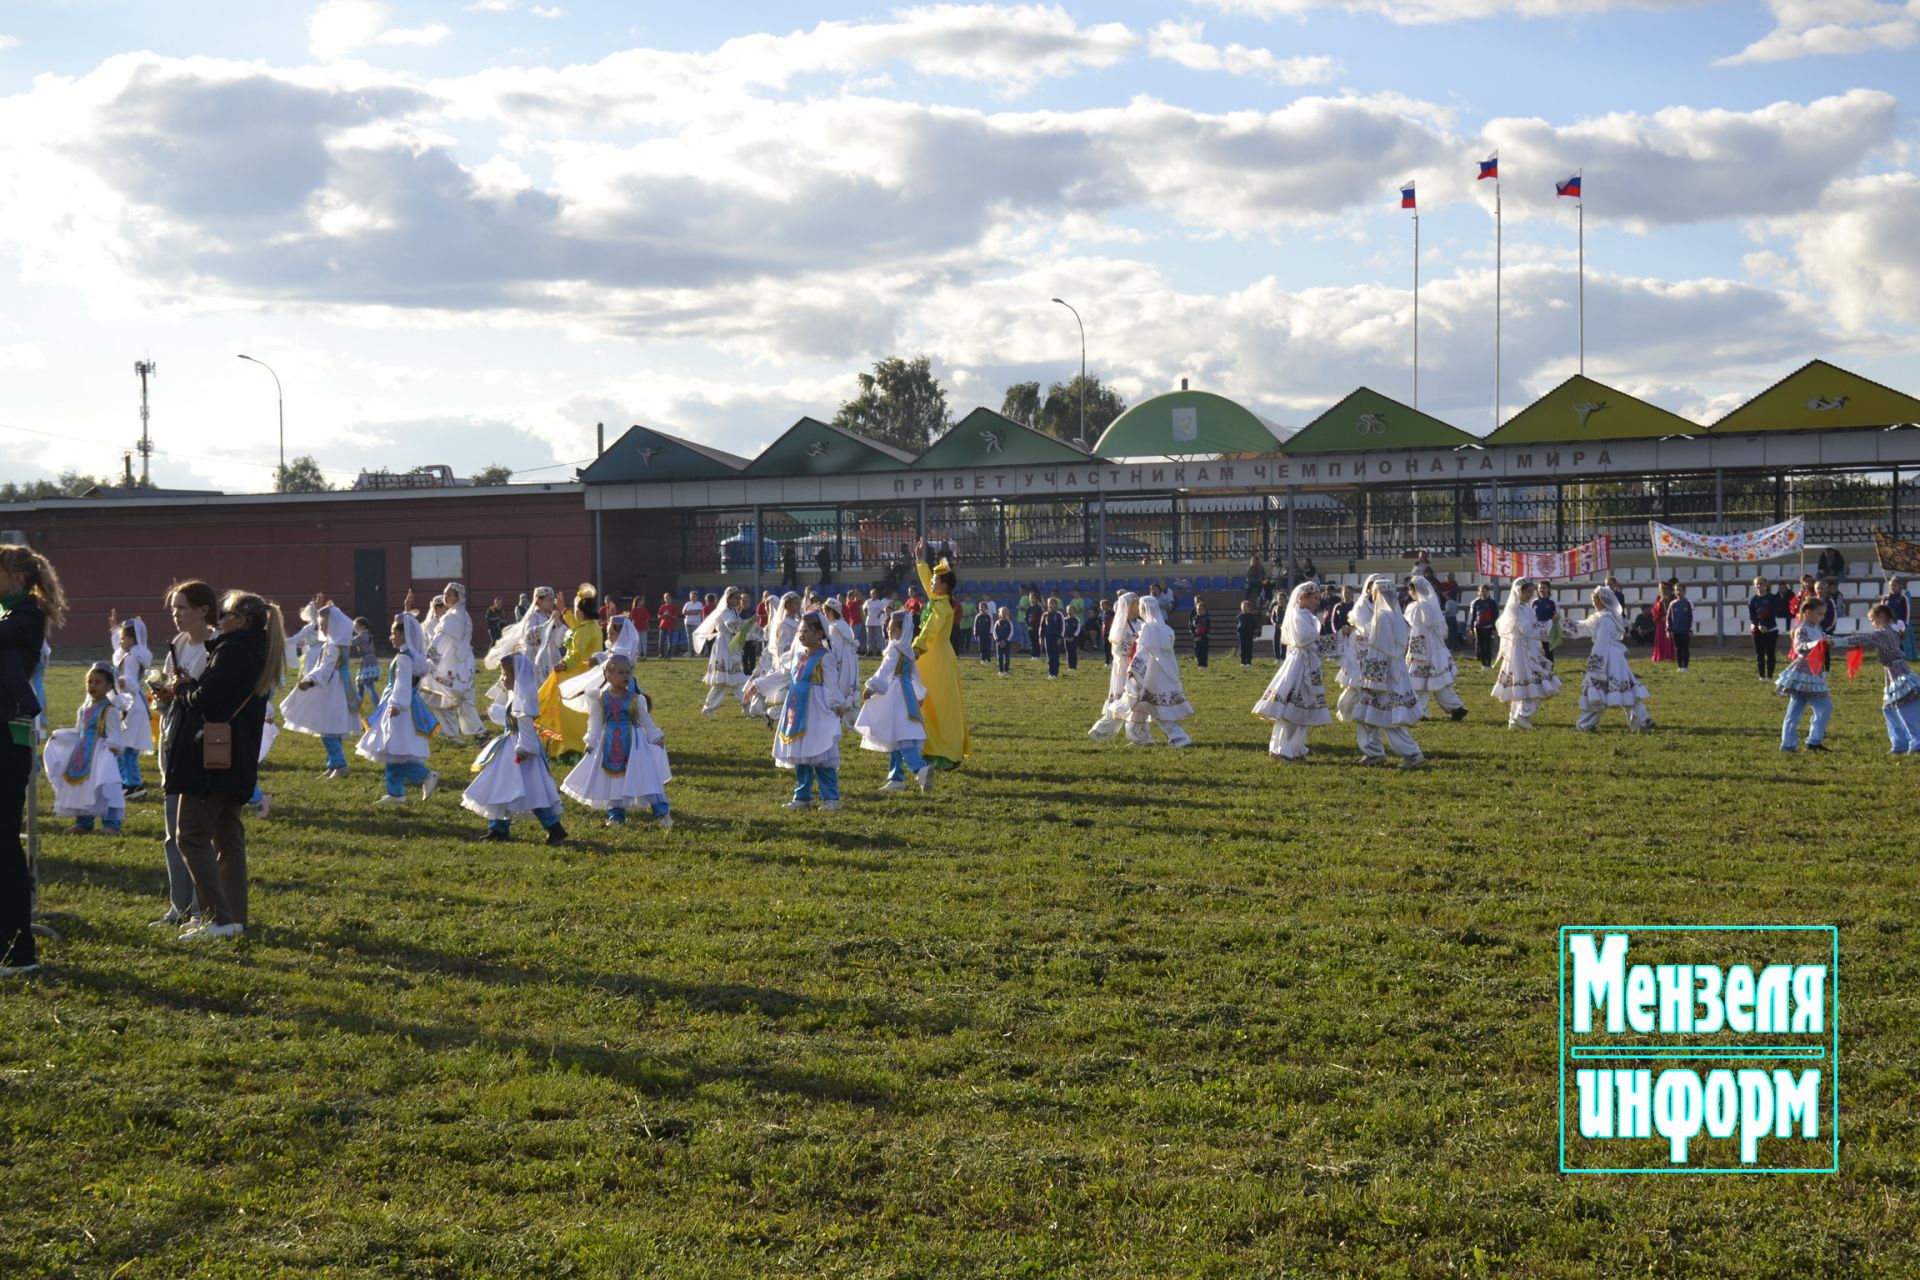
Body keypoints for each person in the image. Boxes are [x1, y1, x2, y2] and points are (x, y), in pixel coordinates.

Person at [154, 589, 281, 942]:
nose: (218, 620)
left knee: (191, 836)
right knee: (228, 838)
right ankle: (234, 919)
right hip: (236, 758)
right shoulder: (257, 648)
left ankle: (217, 918)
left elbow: (206, 700)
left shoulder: (232, 650)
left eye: (224, 614)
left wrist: (182, 688)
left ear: (242, 620)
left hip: (212, 761)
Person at [0, 547, 60, 975]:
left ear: (16, 578)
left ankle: (18, 951)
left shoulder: (25, 619)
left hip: (7, 741)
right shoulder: (12, 616)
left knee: (4, 847)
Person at [561, 652, 672, 829]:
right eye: (620, 673)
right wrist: (591, 742)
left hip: (635, 745)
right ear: (608, 676)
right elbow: (595, 723)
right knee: (614, 779)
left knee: (646, 776)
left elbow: (646, 721)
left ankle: (662, 813)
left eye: (627, 672)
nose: (625, 676)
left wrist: (655, 736)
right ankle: (616, 815)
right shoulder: (600, 699)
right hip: (610, 743)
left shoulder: (637, 699)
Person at [466, 653, 568, 843]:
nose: (503, 679)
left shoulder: (524, 701)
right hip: (509, 747)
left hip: (521, 751)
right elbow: (509, 720)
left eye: (506, 675)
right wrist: (496, 711)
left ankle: (554, 826)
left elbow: (526, 729)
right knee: (502, 785)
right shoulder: (515, 697)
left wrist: (524, 749)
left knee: (533, 789)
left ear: (517, 676)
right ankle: (498, 828)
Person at [762, 612, 846, 810]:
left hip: (816, 711)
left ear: (819, 634)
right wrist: (757, 685)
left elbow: (831, 685)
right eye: (800, 631)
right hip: (796, 710)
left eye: (807, 631)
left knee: (820, 754)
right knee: (801, 754)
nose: (802, 634)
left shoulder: (825, 658)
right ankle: (802, 797)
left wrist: (835, 704)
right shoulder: (799, 657)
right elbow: (783, 675)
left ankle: (831, 799)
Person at [1341, 577, 1425, 767]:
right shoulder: (1393, 615)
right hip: (1389, 674)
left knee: (1387, 718)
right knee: (1366, 715)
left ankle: (1412, 754)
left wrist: (1373, 679)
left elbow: (1380, 649)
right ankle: (1373, 752)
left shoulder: (1383, 617)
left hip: (1383, 677)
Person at [358, 613, 442, 803]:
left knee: (393, 749)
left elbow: (402, 684)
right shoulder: (414, 655)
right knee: (391, 750)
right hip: (407, 705)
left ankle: (425, 775)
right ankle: (395, 793)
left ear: (404, 635)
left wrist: (396, 705)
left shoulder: (403, 657)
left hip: (400, 708)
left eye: (393, 633)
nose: (391, 637)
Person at [44, 662, 128, 834]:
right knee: (83, 788)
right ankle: (84, 822)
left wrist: (113, 746)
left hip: (101, 755)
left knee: (105, 788)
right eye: (90, 682)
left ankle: (111, 824)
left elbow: (114, 733)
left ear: (109, 685)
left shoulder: (109, 710)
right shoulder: (84, 709)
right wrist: (60, 737)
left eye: (98, 682)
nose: (92, 686)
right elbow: (79, 731)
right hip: (83, 755)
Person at [857, 610, 935, 794]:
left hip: (895, 694)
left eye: (894, 628)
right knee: (895, 734)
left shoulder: (895, 649)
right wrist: (919, 694)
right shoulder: (908, 650)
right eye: (888, 627)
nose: (889, 631)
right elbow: (914, 675)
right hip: (907, 694)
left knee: (900, 735)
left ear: (903, 629)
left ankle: (920, 769)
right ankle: (896, 778)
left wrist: (872, 687)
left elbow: (884, 671)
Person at [1253, 581, 1332, 762]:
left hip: (1308, 663)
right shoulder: (1298, 615)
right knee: (1291, 709)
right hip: (1298, 665)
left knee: (1304, 709)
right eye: (1314, 598)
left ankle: (1296, 748)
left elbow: (1314, 641)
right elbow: (1306, 640)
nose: (1317, 602)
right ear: (1302, 598)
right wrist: (1334, 643)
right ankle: (1281, 749)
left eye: (1318, 598)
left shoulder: (1307, 616)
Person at [912, 541, 971, 772]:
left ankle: (947, 752)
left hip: (936, 657)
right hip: (929, 658)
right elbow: (928, 581)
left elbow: (931, 629)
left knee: (941, 706)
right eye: (934, 580)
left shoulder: (943, 607)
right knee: (927, 705)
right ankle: (929, 748)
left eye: (936, 581)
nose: (932, 583)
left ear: (945, 586)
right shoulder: (937, 598)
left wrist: (917, 646)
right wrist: (920, 560)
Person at [1560, 587, 1653, 732]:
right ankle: (1641, 720)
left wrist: (1596, 665)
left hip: (1606, 656)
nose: (1594, 604)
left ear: (1603, 600)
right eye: (1593, 601)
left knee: (1598, 689)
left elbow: (1601, 642)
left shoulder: (1605, 619)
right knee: (1624, 688)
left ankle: (1586, 724)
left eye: (1595, 600)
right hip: (1613, 656)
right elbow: (1581, 627)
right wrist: (1560, 623)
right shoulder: (1601, 617)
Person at [1833, 603, 1920, 753]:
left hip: (1898, 672)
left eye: (1872, 620)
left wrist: (1836, 641)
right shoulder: (1893, 630)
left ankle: (1916, 741)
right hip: (1893, 672)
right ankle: (1900, 743)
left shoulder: (1884, 632)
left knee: (1904, 707)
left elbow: (1862, 638)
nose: (1872, 624)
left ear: (1881, 617)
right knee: (1889, 708)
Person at [535, 586, 604, 759]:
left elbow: (577, 653)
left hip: (581, 674)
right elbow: (576, 630)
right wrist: (564, 610)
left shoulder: (586, 630)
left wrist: (564, 664)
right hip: (587, 672)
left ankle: (574, 744)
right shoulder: (590, 626)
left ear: (580, 613)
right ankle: (570, 742)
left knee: (572, 710)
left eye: (575, 611)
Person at [1122, 596, 1194, 747]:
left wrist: (1133, 669)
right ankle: (1139, 737)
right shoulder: (1166, 629)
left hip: (1152, 674)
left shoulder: (1148, 629)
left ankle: (1179, 737)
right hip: (1166, 671)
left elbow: (1143, 651)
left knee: (1156, 707)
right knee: (1140, 705)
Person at [1492, 578, 1561, 729]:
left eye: (1532, 592)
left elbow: (1533, 628)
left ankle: (1515, 721)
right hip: (1521, 653)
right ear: (1519, 591)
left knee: (1524, 687)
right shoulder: (1514, 609)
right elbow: (1527, 629)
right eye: (1528, 592)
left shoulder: (1527, 607)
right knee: (1536, 684)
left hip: (1529, 649)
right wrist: (1549, 623)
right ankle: (1522, 715)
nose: (1531, 595)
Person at [1405, 577, 1466, 722]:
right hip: (1435, 647)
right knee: (1438, 680)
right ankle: (1456, 708)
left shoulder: (1416, 607)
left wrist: (1412, 651)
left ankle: (1421, 711)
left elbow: (1412, 629)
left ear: (1414, 590)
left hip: (1420, 647)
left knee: (1419, 681)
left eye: (1409, 589)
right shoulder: (1432, 605)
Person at [1776, 598, 1833, 753]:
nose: (1822, 617)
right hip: (1805, 671)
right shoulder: (1801, 629)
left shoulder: (1818, 628)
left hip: (1814, 670)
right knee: (1824, 706)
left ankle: (1788, 744)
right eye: (1820, 614)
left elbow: (1823, 640)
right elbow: (1799, 648)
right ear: (1808, 612)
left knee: (1795, 709)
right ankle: (1813, 741)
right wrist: (1818, 643)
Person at [107, 615, 153, 798]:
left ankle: (131, 783)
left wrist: (123, 682)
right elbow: (117, 649)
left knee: (125, 746)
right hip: (130, 705)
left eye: (123, 637)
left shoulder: (131, 659)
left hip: (130, 706)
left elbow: (131, 682)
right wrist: (114, 629)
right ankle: (128, 782)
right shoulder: (131, 654)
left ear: (132, 639)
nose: (120, 640)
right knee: (126, 746)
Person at [692, 587, 749, 716]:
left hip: (731, 644)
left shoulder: (734, 610)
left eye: (739, 598)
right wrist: (750, 623)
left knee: (737, 678)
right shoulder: (725, 612)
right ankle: (709, 708)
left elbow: (737, 627)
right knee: (723, 681)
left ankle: (747, 705)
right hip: (724, 645)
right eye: (736, 598)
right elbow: (732, 626)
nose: (738, 600)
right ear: (728, 598)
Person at [1089, 593, 1139, 741]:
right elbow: (1120, 650)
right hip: (1125, 669)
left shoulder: (1138, 623)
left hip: (1137, 668)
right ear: (1128, 607)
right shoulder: (1120, 626)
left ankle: (1139, 735)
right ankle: (1101, 729)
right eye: (1136, 605)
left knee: (1137, 703)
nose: (1139, 607)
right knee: (1124, 702)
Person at [1748, 575, 1783, 679]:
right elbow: (1752, 615)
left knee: (1770, 652)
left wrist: (1766, 626)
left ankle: (1769, 676)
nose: (1759, 586)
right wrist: (1758, 625)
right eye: (1757, 584)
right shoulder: (1753, 599)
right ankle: (1762, 676)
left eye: (1761, 583)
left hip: (1771, 628)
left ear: (1766, 585)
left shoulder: (1772, 598)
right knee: (1760, 653)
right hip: (1756, 629)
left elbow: (1773, 613)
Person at [1880, 577, 1914, 661]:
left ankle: (1900, 658)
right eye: (1890, 585)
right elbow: (1881, 611)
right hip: (1888, 624)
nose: (1892, 587)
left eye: (1894, 585)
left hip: (1899, 624)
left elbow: (1907, 612)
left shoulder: (1903, 598)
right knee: (1888, 642)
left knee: (1898, 642)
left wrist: (1905, 625)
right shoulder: (1885, 598)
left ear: (1899, 586)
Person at [1667, 583, 1695, 672]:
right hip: (1676, 631)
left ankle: (1685, 667)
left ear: (1684, 591)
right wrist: (1668, 630)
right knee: (1678, 649)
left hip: (1685, 631)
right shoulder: (1672, 604)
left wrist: (1690, 629)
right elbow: (1668, 618)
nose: (1678, 592)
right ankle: (1679, 666)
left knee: (1685, 649)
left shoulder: (1688, 603)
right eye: (1676, 590)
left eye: (1680, 590)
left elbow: (1692, 617)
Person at [1469, 584, 1499, 669]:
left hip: (1488, 627)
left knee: (1487, 646)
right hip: (1479, 627)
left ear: (1488, 591)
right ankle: (1483, 665)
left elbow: (1495, 615)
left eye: (1484, 591)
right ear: (1478, 592)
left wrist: (1493, 627)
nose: (1483, 593)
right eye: (1481, 591)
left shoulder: (1492, 602)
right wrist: (1472, 627)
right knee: (1481, 646)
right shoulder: (1477, 602)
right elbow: (1474, 616)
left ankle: (1488, 664)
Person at [1651, 581, 1677, 664]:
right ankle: (1660, 655)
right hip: (1661, 622)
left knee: (1669, 639)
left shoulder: (1673, 597)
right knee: (1660, 639)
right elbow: (1654, 610)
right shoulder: (1659, 598)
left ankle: (1669, 655)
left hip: (1670, 621)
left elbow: (1675, 608)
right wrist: (1660, 603)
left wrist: (1668, 616)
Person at [1040, 597, 1065, 679]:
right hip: (1048, 638)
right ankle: (1050, 673)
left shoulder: (1059, 615)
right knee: (1049, 656)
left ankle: (1055, 673)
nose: (1051, 605)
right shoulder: (1045, 615)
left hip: (1056, 638)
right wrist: (1041, 638)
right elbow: (1042, 627)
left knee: (1055, 656)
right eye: (1049, 603)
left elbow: (1062, 627)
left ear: (1056, 605)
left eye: (1053, 603)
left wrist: (1060, 637)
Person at [1535, 580, 1560, 662]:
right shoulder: (1534, 602)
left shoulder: (1553, 601)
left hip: (1549, 630)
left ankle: (1550, 671)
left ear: (1549, 589)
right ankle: (1539, 671)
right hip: (1537, 630)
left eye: (1544, 588)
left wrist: (1549, 623)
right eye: (1540, 588)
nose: (1541, 590)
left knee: (1548, 651)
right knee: (1538, 651)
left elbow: (1557, 614)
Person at [1236, 600, 1260, 668]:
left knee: (1248, 648)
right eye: (1243, 607)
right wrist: (1238, 630)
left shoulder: (1251, 616)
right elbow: (1237, 624)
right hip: (1241, 635)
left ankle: (1248, 661)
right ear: (1241, 607)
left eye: (1246, 607)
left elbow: (1254, 625)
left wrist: (1251, 631)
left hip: (1249, 635)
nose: (1244, 608)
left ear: (1249, 608)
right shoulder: (1239, 616)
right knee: (1242, 648)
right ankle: (1243, 661)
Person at [656, 593, 680, 659]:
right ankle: (662, 654)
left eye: (668, 598)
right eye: (666, 598)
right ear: (664, 599)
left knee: (670, 641)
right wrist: (663, 615)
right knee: (660, 641)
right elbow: (659, 616)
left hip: (670, 626)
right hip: (662, 625)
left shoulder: (673, 607)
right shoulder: (662, 607)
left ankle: (669, 655)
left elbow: (676, 618)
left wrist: (669, 615)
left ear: (670, 598)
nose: (667, 599)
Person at [1190, 599, 1212, 669]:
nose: (1200, 611)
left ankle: (1204, 664)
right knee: (1198, 651)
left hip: (1204, 637)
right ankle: (1200, 665)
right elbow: (1192, 627)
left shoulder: (1207, 618)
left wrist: (1206, 635)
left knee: (1204, 651)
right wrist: (1194, 635)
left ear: (1205, 610)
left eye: (1201, 609)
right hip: (1197, 638)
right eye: (1198, 609)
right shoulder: (1195, 618)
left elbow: (1208, 627)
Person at [993, 607, 1014, 676]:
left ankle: (1006, 670)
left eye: (1006, 613)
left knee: (1007, 657)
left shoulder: (1009, 622)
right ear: (1000, 614)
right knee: (1000, 657)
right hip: (999, 643)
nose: (1004, 614)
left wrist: (1005, 641)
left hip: (1006, 643)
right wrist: (998, 641)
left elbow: (1011, 632)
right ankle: (1001, 670)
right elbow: (994, 632)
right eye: (1003, 613)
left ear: (1008, 614)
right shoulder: (997, 623)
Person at [1063, 604, 1083, 673]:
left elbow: (1078, 629)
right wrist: (1065, 637)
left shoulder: (1077, 619)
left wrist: (1073, 637)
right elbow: (1062, 629)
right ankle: (1070, 667)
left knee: (1073, 652)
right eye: (1069, 610)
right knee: (1068, 653)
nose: (1070, 611)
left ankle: (1074, 667)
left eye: (1071, 610)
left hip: (1074, 639)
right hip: (1066, 639)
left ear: (1075, 611)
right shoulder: (1064, 620)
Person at [973, 597, 994, 664]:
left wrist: (991, 633)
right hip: (980, 634)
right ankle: (982, 659)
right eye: (980, 607)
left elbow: (991, 625)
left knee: (988, 647)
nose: (982, 608)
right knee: (981, 647)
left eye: (983, 607)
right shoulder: (978, 616)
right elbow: (975, 625)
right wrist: (975, 633)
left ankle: (988, 659)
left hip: (987, 634)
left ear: (986, 608)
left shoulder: (989, 616)